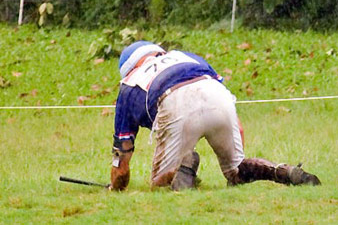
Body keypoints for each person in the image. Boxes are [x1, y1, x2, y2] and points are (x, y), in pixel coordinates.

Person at [110, 40, 321, 191]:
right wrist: (236, 162)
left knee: (159, 186)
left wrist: (115, 187)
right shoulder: (188, 57)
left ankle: (180, 171)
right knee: (237, 171)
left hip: (175, 102)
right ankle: (282, 172)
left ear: (128, 69)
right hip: (216, 94)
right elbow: (238, 127)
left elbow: (122, 155)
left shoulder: (128, 85)